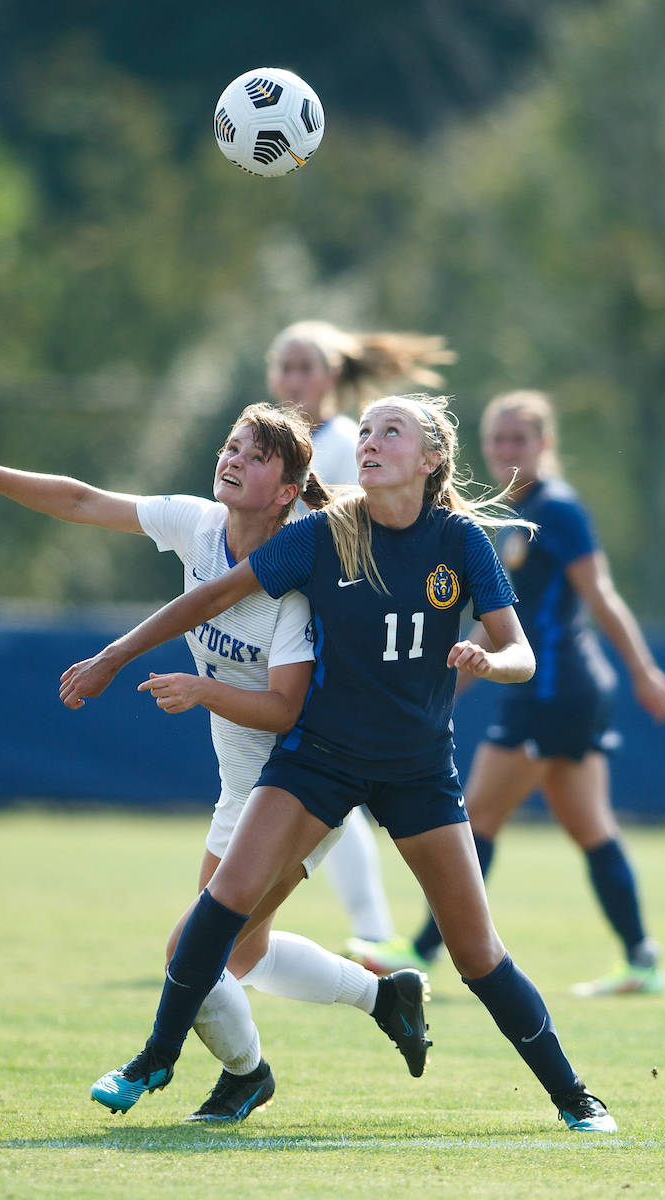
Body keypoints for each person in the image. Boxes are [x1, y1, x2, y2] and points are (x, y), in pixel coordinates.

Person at [64, 393, 618, 1133]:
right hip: (319, 760)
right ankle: (154, 1059)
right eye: (364, 431)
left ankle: (576, 1098)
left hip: (419, 771)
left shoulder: (459, 540)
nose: (369, 441)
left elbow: (521, 651)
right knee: (224, 901)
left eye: (391, 431)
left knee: (476, 952)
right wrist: (113, 656)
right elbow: (209, 598)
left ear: (430, 460)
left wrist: (492, 660)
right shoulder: (325, 533)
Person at [0, 403, 431, 1123]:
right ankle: (385, 997)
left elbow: (287, 711)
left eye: (255, 456)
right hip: (240, 790)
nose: (233, 459)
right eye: (231, 446)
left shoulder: (296, 577)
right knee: (243, 956)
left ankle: (245, 1076)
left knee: (192, 951)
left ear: (287, 492)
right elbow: (82, 501)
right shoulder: (198, 525)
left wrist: (202, 690)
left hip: (302, 788)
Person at [355, 390, 665, 996]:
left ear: (545, 444)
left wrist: (643, 669)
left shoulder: (557, 508)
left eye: (519, 439)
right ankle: (643, 960)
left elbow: (601, 594)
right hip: (562, 693)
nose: (506, 450)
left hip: (554, 690)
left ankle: (421, 951)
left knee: (476, 815)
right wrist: (439, 692)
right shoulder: (512, 515)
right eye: (497, 439)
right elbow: (497, 624)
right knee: (589, 825)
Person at [266, 319, 456, 949]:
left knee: (316, 782)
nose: (292, 379)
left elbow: (362, 536)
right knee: (300, 788)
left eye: (304, 367)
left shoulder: (348, 441)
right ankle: (236, 926)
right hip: (276, 621)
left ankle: (247, 928)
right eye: (284, 366)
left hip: (328, 633)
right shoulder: (274, 444)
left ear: (332, 376)